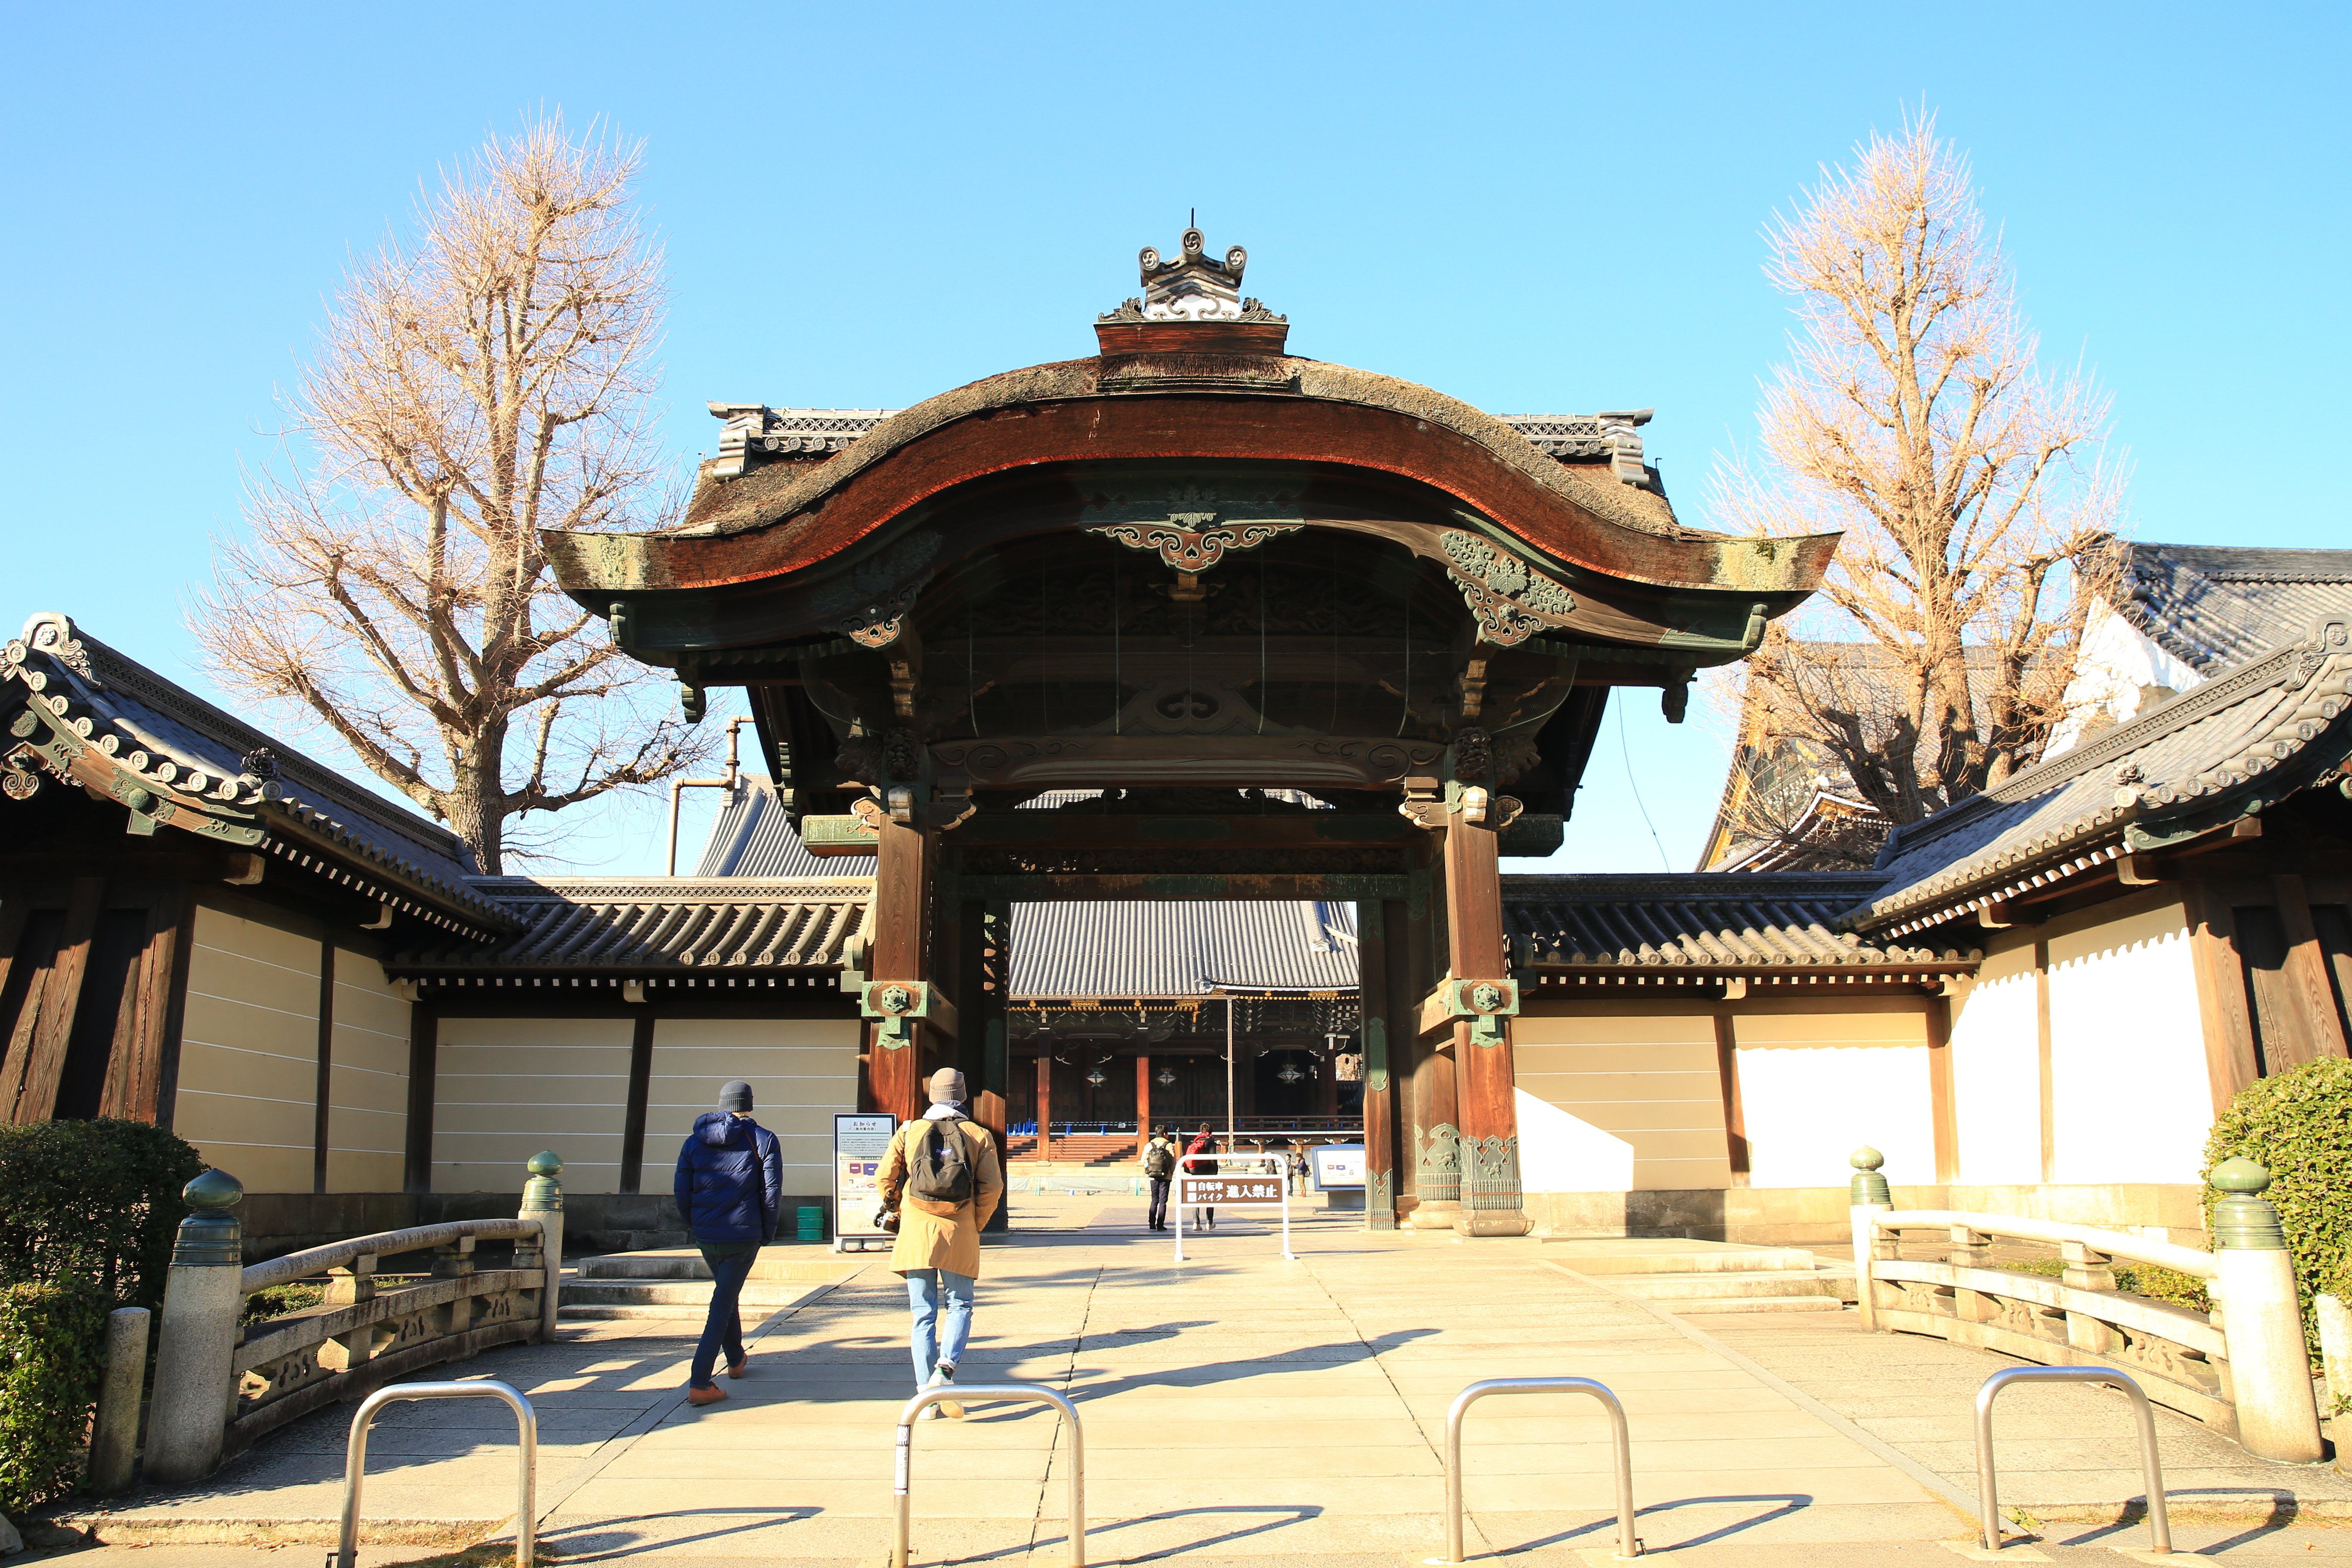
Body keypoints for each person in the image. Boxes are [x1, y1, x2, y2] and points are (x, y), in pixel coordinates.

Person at [879, 1068, 1004, 1420]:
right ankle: (944, 1372)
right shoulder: (978, 1134)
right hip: (960, 1227)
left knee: (923, 1313)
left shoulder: (910, 1130)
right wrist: (975, 1222)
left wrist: (896, 1208)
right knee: (961, 1304)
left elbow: (884, 1175)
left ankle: (926, 1400)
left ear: (932, 1096)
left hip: (917, 1228)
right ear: (962, 1096)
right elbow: (992, 1187)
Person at [673, 1079, 782, 1407]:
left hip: (708, 1234)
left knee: (726, 1292)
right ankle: (700, 1382)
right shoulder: (763, 1139)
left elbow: (682, 1191)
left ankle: (735, 1358)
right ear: (749, 1104)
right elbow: (771, 1192)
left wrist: (694, 1224)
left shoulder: (694, 1142)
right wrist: (767, 1232)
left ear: (722, 1104)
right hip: (743, 1233)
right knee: (721, 1304)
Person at [1141, 1124, 1178, 1231]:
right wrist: (1171, 1172)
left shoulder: (1150, 1145)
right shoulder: (1169, 1145)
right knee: (1163, 1201)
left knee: (1154, 1200)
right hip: (1166, 1176)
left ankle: (1151, 1223)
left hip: (1153, 1176)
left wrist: (1148, 1171)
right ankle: (1160, 1225)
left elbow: (1143, 1160)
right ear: (1166, 1134)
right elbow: (1173, 1161)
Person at [1184, 1123, 1219, 1230]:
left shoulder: (1196, 1141)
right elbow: (1213, 1158)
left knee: (1195, 1196)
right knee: (1210, 1196)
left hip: (1195, 1172)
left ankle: (1196, 1222)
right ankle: (1209, 1223)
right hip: (1208, 1171)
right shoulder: (1211, 1141)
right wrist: (1215, 1171)